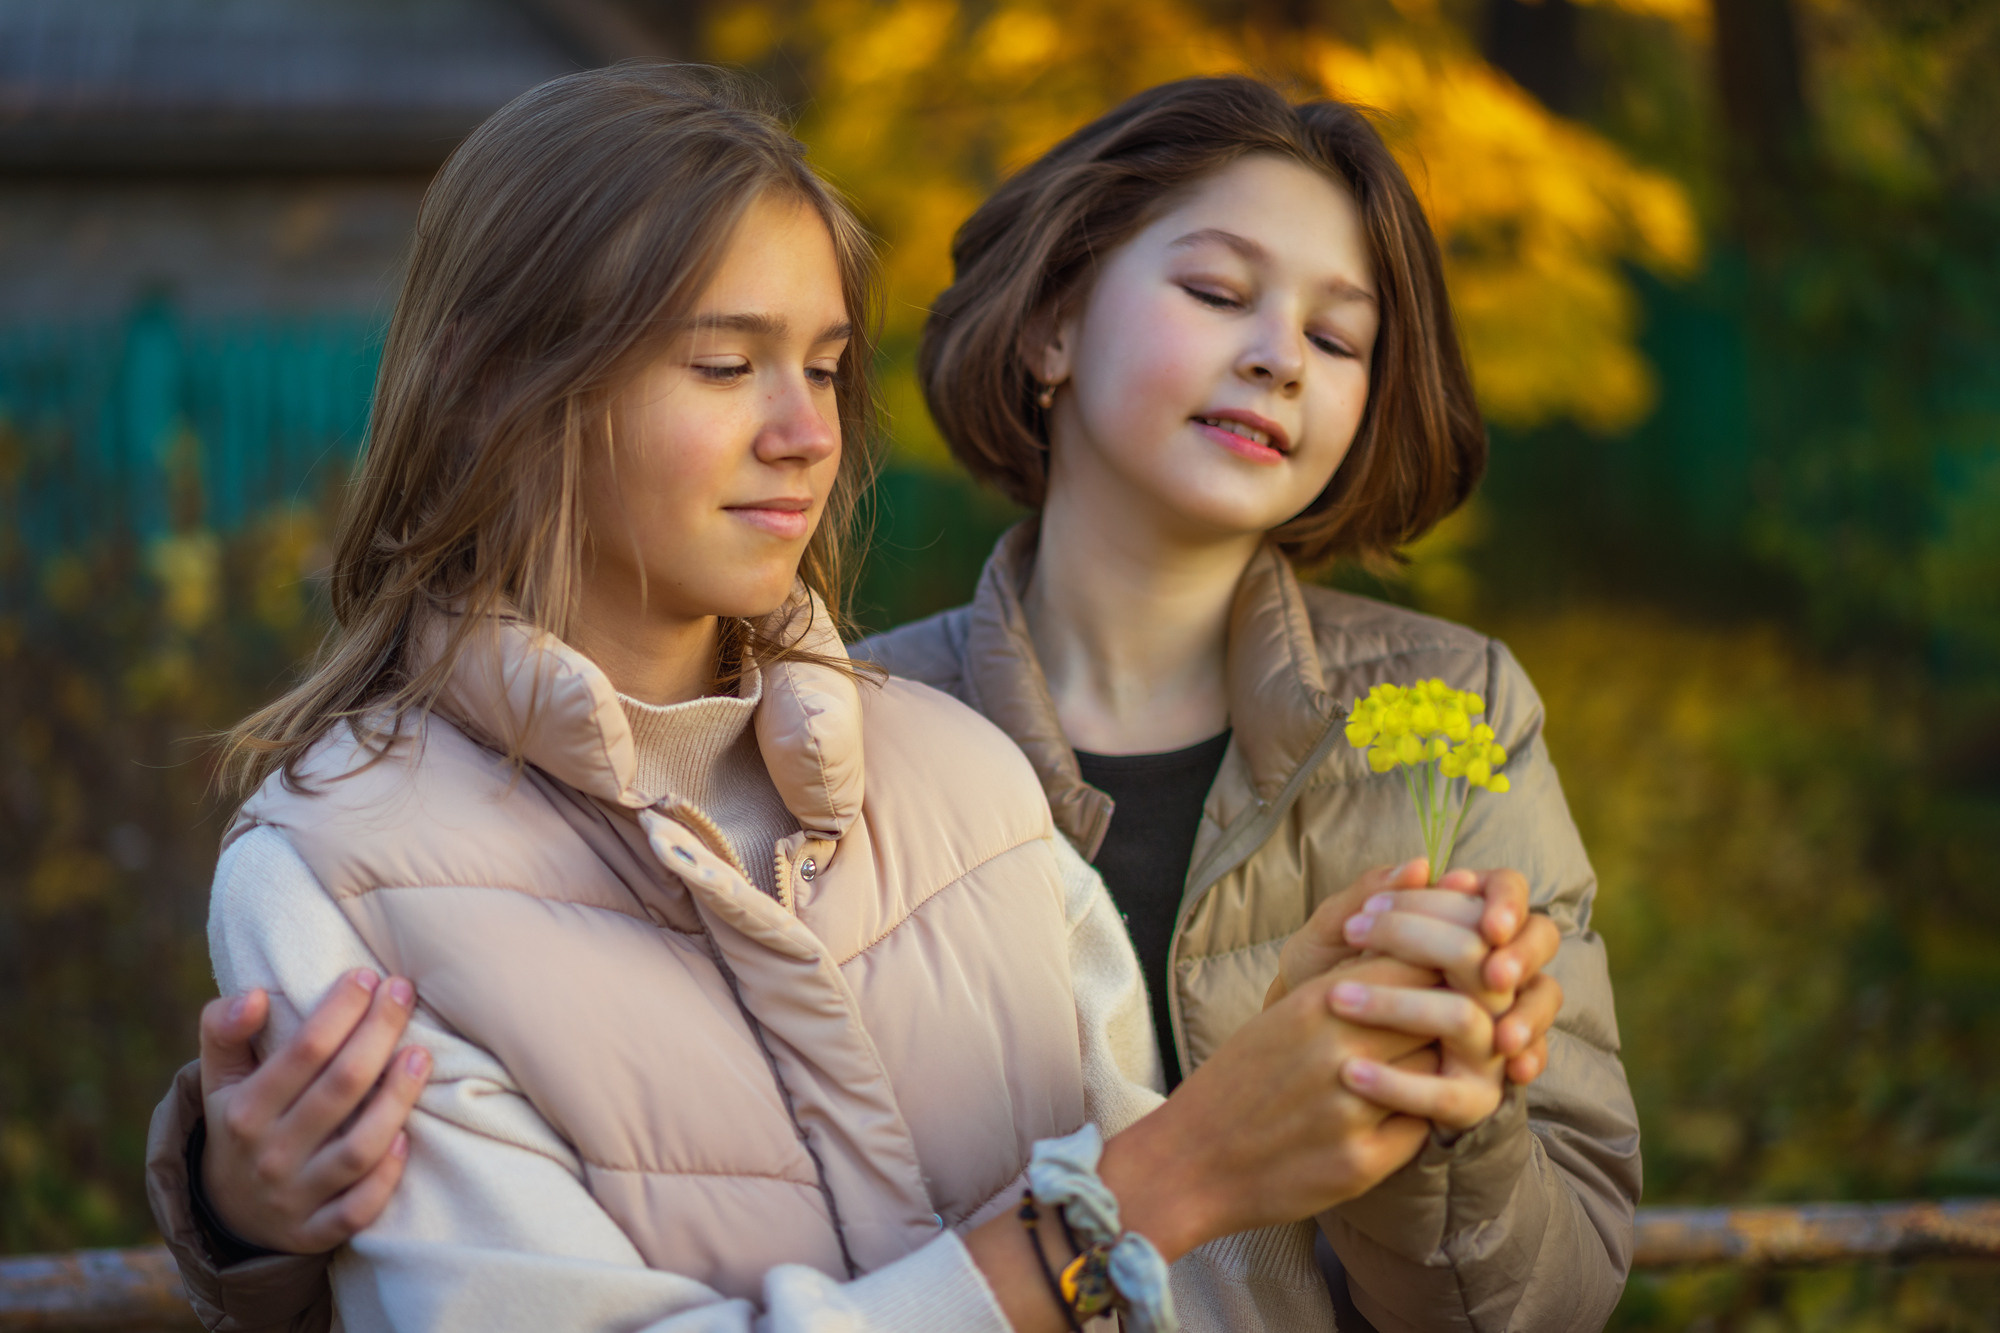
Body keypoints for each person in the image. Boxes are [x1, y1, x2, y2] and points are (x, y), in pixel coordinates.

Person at [142, 64, 1554, 1333]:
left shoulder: (965, 774)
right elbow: (1147, 1204)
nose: (807, 432)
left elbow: (1197, 1293)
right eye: (724, 363)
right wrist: (1139, 1190)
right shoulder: (335, 865)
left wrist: (1335, 1076)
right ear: (504, 382)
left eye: (822, 366)